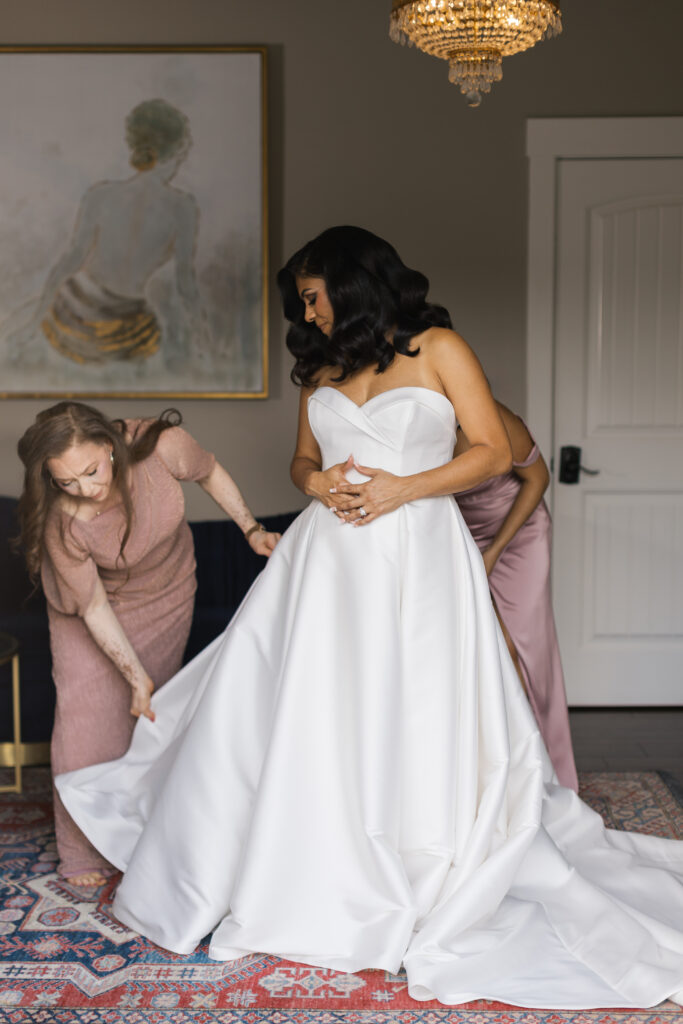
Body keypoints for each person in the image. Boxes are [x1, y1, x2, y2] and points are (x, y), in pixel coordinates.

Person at [57, 228, 683, 1009]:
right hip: (327, 559)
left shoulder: (438, 348)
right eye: (301, 302)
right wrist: (316, 486)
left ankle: (418, 847)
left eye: (313, 296)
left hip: (417, 551)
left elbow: (493, 453)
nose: (307, 314)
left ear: (353, 283)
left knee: (413, 698)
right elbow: (299, 462)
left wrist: (403, 489)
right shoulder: (320, 367)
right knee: (310, 701)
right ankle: (307, 847)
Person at [17, 401, 279, 887]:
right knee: (85, 716)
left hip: (166, 591)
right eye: (67, 482)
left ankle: (136, 835)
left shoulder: (161, 448)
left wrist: (252, 529)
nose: (86, 489)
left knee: (147, 719)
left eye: (91, 472)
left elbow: (210, 471)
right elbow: (92, 606)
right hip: (88, 608)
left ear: (109, 446)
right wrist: (134, 675)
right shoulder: (63, 520)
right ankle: (80, 851)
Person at [455, 403, 578, 791]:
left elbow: (537, 478)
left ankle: (540, 771)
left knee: (520, 648)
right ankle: (485, 768)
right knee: (474, 647)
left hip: (519, 534)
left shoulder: (493, 416)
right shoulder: (415, 419)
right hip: (459, 538)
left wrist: (493, 551)